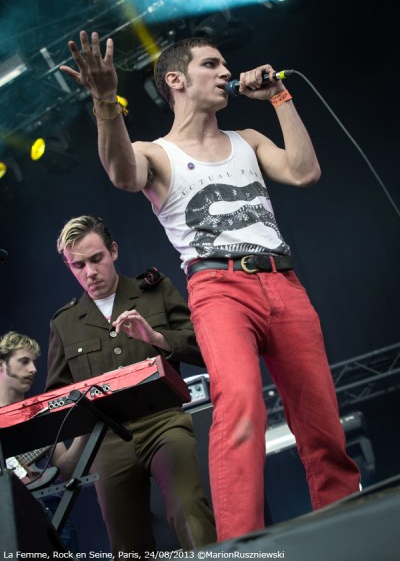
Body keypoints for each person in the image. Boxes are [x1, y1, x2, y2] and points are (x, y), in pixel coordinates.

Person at [59, 32, 361, 542]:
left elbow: (306, 172)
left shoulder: (249, 138)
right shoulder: (156, 153)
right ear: (177, 80)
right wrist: (106, 102)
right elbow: (119, 173)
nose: (226, 72)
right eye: (212, 64)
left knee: (322, 419)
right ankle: (240, 548)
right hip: (218, 287)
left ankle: (346, 530)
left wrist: (280, 99)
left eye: (225, 64)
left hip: (282, 282)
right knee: (240, 403)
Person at [45, 214, 216, 555]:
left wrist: (155, 337)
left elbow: (202, 346)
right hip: (106, 442)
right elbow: (57, 398)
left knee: (188, 510)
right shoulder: (65, 323)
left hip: (164, 423)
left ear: (114, 251)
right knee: (126, 543)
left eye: (96, 259)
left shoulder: (153, 290)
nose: (90, 272)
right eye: (78, 265)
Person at [0, 330, 84, 553]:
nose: (33, 369)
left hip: (49, 509)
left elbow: (65, 469)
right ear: (1, 365)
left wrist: (84, 434)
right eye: (24, 361)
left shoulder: (41, 415)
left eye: (34, 362)